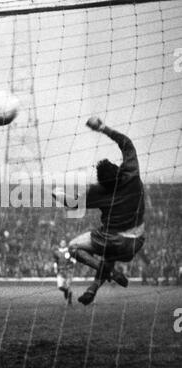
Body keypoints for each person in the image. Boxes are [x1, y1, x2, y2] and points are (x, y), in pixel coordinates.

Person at [53, 117, 145, 305]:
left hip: (110, 239)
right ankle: (93, 289)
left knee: (73, 248)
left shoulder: (98, 192)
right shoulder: (131, 173)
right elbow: (126, 143)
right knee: (110, 252)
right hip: (136, 241)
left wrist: (57, 193)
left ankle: (109, 273)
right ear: (117, 169)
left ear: (101, 182)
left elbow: (72, 204)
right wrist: (102, 128)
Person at [53, 239, 76, 305]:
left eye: (64, 242)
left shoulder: (69, 251)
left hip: (69, 271)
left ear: (66, 243)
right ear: (60, 244)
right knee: (60, 286)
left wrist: (73, 260)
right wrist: (55, 268)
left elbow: (74, 259)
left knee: (68, 285)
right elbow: (55, 261)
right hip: (60, 271)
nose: (63, 244)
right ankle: (68, 292)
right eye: (62, 242)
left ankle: (69, 301)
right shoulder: (56, 252)